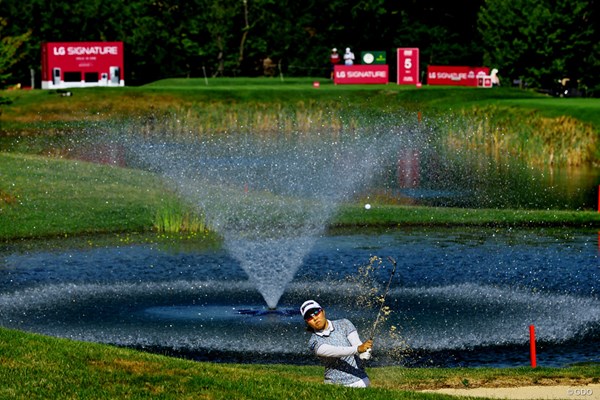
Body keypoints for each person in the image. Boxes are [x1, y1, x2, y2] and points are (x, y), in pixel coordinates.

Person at [300, 299, 373, 387]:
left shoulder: (344, 323)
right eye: (309, 317)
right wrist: (358, 349)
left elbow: (357, 343)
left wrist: (363, 353)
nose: (315, 318)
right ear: (307, 322)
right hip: (335, 386)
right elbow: (336, 351)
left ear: (323, 311)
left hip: (361, 381)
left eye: (316, 312)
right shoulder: (313, 342)